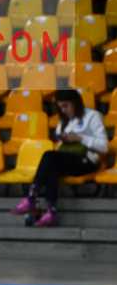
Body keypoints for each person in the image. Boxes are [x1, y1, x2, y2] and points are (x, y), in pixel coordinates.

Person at [12, 88, 108, 227]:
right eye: (60, 107)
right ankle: (51, 211)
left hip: (88, 160)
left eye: (66, 106)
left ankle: (32, 198)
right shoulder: (63, 121)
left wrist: (80, 138)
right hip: (69, 159)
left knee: (49, 156)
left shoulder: (93, 116)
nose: (63, 110)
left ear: (76, 103)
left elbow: (104, 146)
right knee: (51, 167)